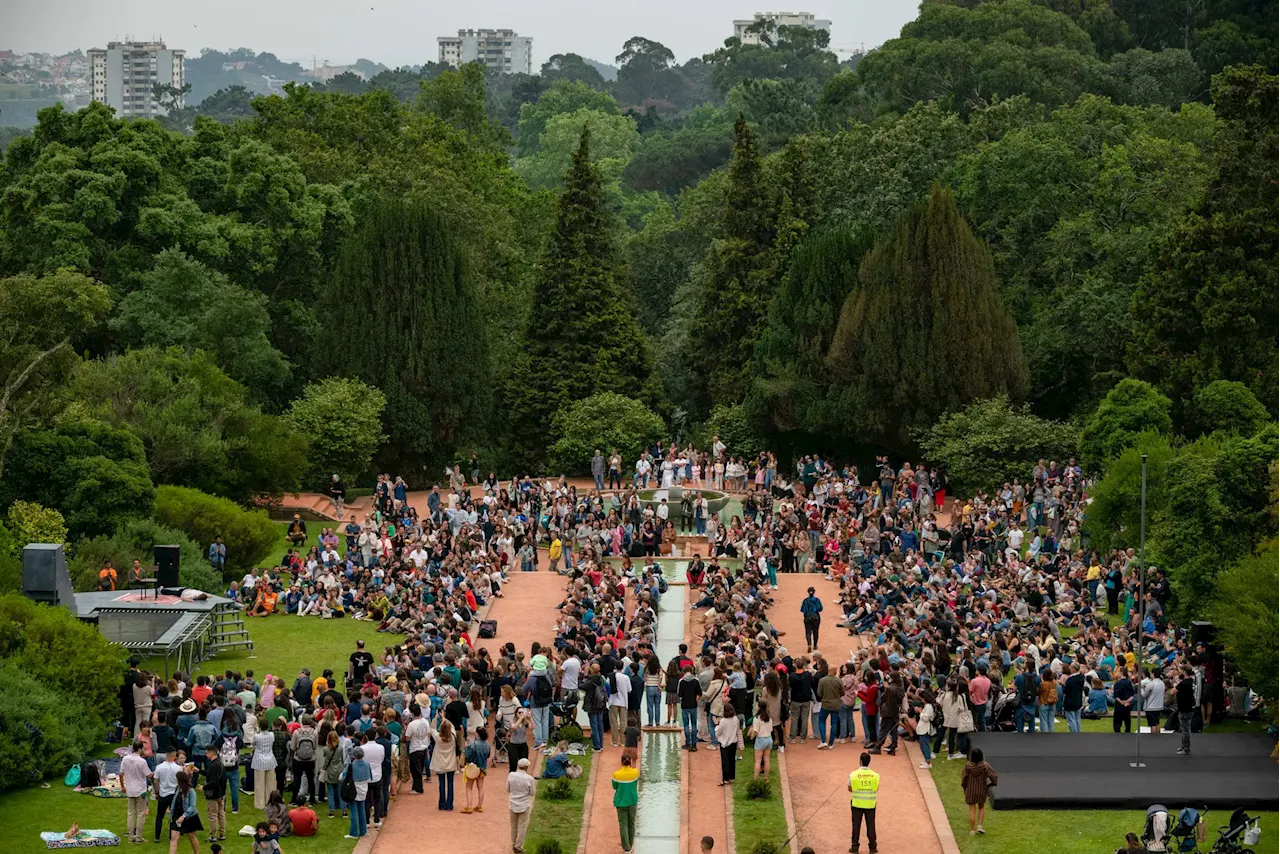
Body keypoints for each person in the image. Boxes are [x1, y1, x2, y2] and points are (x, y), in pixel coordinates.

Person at [960, 747, 998, 836]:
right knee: (981, 807)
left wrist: (964, 787)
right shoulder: (985, 766)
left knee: (972, 810)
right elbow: (994, 776)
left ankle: (972, 830)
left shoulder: (967, 766)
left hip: (970, 790)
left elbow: (964, 778)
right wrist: (992, 784)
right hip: (981, 789)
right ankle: (980, 826)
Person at [121, 740, 153, 844]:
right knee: (140, 814)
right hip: (140, 791)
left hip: (130, 789)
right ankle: (138, 837)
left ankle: (131, 837)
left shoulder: (125, 759)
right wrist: (156, 771)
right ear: (139, 749)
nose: (144, 750)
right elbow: (148, 775)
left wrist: (122, 786)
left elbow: (121, 773)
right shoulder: (142, 761)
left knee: (130, 813)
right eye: (143, 748)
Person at [849, 752, 879, 854]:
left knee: (856, 826)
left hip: (856, 804)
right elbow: (876, 788)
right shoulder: (875, 775)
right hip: (870, 804)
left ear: (860, 761)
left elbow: (850, 788)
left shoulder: (853, 774)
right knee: (871, 826)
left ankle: (854, 848)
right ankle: (872, 848)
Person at [167, 770, 202, 854]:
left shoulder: (191, 791)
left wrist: (183, 816)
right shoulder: (178, 789)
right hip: (176, 815)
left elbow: (192, 806)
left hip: (189, 817)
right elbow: (173, 803)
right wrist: (171, 817)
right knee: (173, 838)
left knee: (191, 837)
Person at [507, 757, 537, 854]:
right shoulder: (529, 778)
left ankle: (513, 844)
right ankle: (518, 846)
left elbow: (507, 789)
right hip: (524, 805)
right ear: (527, 767)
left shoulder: (511, 775)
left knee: (513, 826)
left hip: (512, 804)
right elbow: (532, 793)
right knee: (522, 827)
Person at [612, 753, 640, 854]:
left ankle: (626, 848)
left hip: (621, 802)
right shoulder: (636, 772)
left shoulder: (616, 774)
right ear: (630, 762)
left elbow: (615, 787)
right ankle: (631, 844)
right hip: (632, 801)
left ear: (621, 762)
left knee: (623, 824)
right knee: (631, 823)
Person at [343, 745, 372, 839]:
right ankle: (363, 832)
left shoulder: (352, 765)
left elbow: (343, 776)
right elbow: (370, 777)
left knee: (354, 811)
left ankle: (354, 833)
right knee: (362, 810)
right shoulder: (367, 764)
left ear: (354, 755)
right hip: (364, 789)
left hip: (354, 789)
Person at [430, 719, 459, 810]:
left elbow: (432, 727)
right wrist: (445, 719)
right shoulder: (453, 737)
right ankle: (450, 805)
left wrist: (436, 717)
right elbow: (453, 726)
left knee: (441, 784)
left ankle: (442, 805)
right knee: (450, 784)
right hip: (451, 764)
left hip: (440, 764)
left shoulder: (437, 738)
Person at [201, 745, 227, 843]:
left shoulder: (213, 765)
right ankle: (222, 834)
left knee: (212, 815)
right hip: (220, 794)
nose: (206, 755)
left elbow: (213, 782)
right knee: (221, 814)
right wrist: (199, 771)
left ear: (211, 753)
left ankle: (213, 836)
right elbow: (212, 775)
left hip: (213, 795)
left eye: (207, 753)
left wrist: (203, 787)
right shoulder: (220, 763)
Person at [462, 726, 491, 814]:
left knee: (469, 787)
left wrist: (466, 747)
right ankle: (479, 806)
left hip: (472, 768)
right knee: (480, 787)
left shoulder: (473, 744)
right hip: (482, 769)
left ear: (477, 734)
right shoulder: (487, 744)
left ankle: (469, 806)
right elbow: (488, 755)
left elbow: (467, 756)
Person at [715, 707, 741, 786]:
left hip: (724, 743)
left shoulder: (723, 721)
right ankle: (731, 777)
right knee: (732, 760)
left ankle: (725, 779)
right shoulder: (736, 719)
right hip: (733, 742)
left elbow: (718, 733)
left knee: (725, 761)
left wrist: (716, 725)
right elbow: (737, 729)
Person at [749, 701, 772, 779]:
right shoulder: (769, 718)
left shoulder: (756, 718)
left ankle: (755, 780)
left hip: (761, 739)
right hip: (769, 739)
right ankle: (766, 778)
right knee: (767, 760)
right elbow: (771, 729)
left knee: (758, 761)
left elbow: (755, 731)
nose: (755, 706)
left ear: (759, 707)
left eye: (756, 705)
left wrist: (751, 737)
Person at [1175, 666, 1196, 755]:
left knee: (1185, 729)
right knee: (1185, 728)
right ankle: (1184, 745)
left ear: (1184, 672)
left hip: (1184, 708)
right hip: (1189, 707)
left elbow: (1173, 691)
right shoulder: (1191, 682)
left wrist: (1177, 683)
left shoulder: (1183, 684)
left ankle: (1186, 748)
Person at [801, 586, 823, 652]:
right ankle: (815, 645)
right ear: (814, 592)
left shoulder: (805, 600)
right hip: (816, 617)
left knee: (808, 631)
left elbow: (802, 610)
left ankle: (809, 644)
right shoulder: (817, 600)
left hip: (807, 618)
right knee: (815, 631)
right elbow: (820, 608)